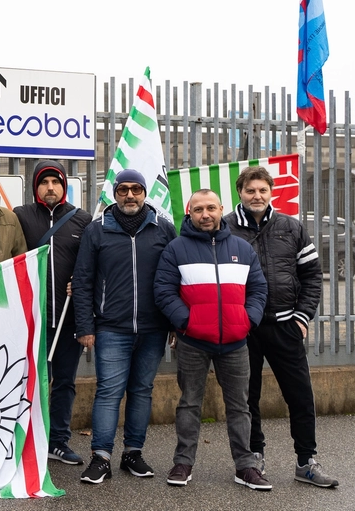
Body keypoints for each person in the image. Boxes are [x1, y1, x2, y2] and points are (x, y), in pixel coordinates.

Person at [225, 167, 337, 488]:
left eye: (262, 190)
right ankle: (254, 458)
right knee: (249, 397)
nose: (256, 196)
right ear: (240, 193)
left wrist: (302, 317)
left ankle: (306, 461)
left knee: (300, 396)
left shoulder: (291, 227)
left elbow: (312, 276)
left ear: (271, 192)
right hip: (244, 328)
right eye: (250, 191)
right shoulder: (226, 228)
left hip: (286, 325)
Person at [155, 189, 269, 491]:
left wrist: (248, 320)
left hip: (235, 341)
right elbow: (164, 291)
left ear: (221, 209)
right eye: (198, 210)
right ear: (189, 214)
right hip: (193, 341)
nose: (205, 215)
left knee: (239, 407)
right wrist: (187, 322)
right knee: (189, 403)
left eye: (210, 208)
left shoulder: (243, 249)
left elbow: (258, 289)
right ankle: (183, 463)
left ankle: (245, 467)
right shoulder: (176, 248)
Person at [71, 169, 176, 485]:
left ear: (145, 193)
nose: (130, 195)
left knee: (142, 391)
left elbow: (175, 278)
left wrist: (174, 323)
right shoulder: (97, 230)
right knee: (108, 392)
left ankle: (133, 453)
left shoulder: (164, 230)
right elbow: (83, 280)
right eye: (123, 190)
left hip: (153, 328)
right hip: (110, 329)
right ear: (114, 194)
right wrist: (84, 326)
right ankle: (101, 457)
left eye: (136, 189)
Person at [12, 160, 92, 466]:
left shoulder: (82, 219)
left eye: (55, 182)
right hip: (31, 319)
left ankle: (57, 441)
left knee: (64, 383)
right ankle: (24, 437)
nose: (50, 187)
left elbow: (92, 263)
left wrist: (80, 282)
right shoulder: (20, 217)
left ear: (64, 186)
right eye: (44, 182)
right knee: (28, 381)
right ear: (35, 187)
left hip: (68, 320)